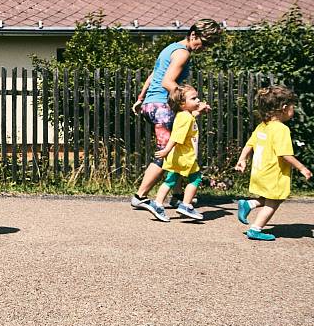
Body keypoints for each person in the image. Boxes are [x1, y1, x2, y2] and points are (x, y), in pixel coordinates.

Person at [130, 19, 223, 219]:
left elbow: (153, 75)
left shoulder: (170, 49)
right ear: (193, 35)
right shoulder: (183, 53)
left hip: (151, 104)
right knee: (166, 153)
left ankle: (177, 195)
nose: (204, 48)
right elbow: (166, 82)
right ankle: (140, 196)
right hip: (162, 105)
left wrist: (141, 98)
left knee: (178, 151)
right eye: (204, 43)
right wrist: (192, 103)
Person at [234, 86, 311, 241]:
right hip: (272, 173)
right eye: (292, 106)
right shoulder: (281, 129)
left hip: (259, 171)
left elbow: (249, 144)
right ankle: (256, 229)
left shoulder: (263, 126)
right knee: (274, 201)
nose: (293, 109)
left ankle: (249, 204)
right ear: (284, 108)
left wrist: (242, 159)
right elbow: (284, 154)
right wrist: (302, 168)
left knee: (272, 198)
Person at [144, 85, 208, 222]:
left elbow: (188, 120)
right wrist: (166, 150)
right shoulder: (186, 118)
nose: (198, 100)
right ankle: (185, 205)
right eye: (194, 98)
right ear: (182, 103)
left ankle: (157, 204)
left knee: (171, 180)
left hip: (177, 156)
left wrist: (199, 111)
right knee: (196, 179)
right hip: (184, 157)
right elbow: (177, 137)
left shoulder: (183, 115)